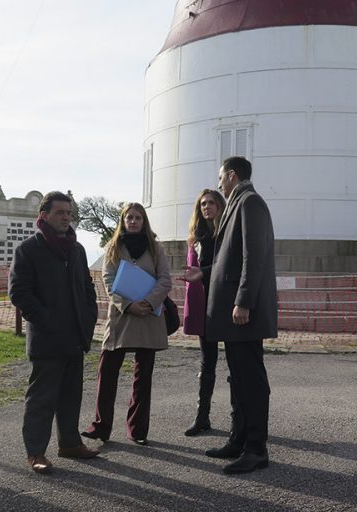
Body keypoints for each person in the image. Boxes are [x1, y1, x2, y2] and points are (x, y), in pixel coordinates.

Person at [181, 156, 277, 474]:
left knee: (250, 380)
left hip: (243, 313)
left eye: (221, 177)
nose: (219, 182)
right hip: (235, 314)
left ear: (232, 175)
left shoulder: (250, 203)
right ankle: (238, 440)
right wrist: (203, 273)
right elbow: (229, 261)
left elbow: (254, 256)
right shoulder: (237, 203)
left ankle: (256, 449)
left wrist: (244, 301)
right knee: (238, 379)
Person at [9, 191, 100, 474]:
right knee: (42, 399)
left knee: (71, 395)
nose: (65, 218)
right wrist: (47, 320)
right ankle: (35, 452)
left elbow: (87, 289)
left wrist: (88, 317)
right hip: (47, 339)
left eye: (69, 213)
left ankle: (70, 444)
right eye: (60, 213)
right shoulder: (28, 250)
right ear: (44, 216)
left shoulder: (77, 249)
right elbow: (19, 294)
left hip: (75, 338)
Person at [82, 203, 171, 446]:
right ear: (123, 220)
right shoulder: (113, 247)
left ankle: (138, 430)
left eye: (138, 218)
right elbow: (109, 281)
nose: (133, 221)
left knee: (143, 378)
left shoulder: (156, 249)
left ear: (144, 221)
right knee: (107, 372)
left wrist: (148, 302)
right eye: (129, 217)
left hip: (149, 316)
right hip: (122, 317)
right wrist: (129, 305)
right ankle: (101, 426)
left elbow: (165, 279)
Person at [182, 189, 230, 436]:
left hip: (225, 302)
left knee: (235, 364)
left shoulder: (227, 233)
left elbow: (230, 264)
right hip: (204, 305)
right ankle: (202, 417)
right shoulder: (196, 237)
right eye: (203, 204)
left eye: (211, 203)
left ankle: (239, 418)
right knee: (207, 361)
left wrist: (204, 272)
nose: (207, 207)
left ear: (220, 205)